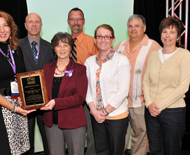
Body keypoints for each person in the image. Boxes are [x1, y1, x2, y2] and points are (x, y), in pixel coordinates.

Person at [0, 10, 35, 155]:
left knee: (22, 148)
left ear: (11, 28)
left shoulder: (16, 50)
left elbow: (20, 77)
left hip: (18, 103)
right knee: (7, 150)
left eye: (5, 25)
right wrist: (13, 108)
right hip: (0, 107)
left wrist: (25, 100)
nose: (2, 30)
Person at [115, 14, 161, 155]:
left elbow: (159, 75)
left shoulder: (153, 46)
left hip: (140, 102)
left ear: (144, 28)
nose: (133, 29)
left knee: (139, 137)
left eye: (137, 26)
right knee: (118, 138)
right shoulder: (120, 46)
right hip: (120, 103)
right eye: (130, 26)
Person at [143, 16, 190, 155]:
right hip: (151, 111)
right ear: (160, 34)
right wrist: (149, 104)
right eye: (165, 31)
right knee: (155, 150)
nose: (167, 35)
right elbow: (146, 81)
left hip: (173, 112)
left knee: (171, 150)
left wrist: (159, 106)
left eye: (172, 32)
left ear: (178, 36)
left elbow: (183, 86)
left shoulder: (184, 55)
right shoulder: (153, 55)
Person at [85, 24, 131, 155]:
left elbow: (123, 91)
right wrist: (94, 111)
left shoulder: (121, 61)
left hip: (117, 116)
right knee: (101, 151)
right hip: (96, 116)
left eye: (107, 37)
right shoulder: (89, 62)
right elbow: (87, 89)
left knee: (115, 151)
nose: (103, 40)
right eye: (99, 36)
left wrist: (104, 112)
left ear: (113, 39)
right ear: (95, 40)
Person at [40, 32, 87, 155]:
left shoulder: (80, 69)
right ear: (54, 48)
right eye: (58, 45)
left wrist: (55, 102)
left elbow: (79, 98)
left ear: (71, 48)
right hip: (51, 123)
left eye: (65, 45)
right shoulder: (46, 69)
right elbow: (41, 93)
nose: (62, 49)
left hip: (74, 122)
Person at [19, 13, 54, 155]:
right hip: (24, 104)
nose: (34, 25)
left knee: (48, 140)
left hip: (45, 102)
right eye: (30, 22)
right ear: (25, 25)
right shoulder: (16, 46)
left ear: (41, 25)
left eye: (37, 22)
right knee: (26, 142)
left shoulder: (50, 47)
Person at [67, 7, 97, 155]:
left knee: (92, 134)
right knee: (72, 133)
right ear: (68, 22)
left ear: (83, 22)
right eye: (72, 19)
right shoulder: (62, 42)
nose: (75, 22)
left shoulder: (93, 42)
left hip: (88, 95)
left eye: (78, 19)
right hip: (67, 96)